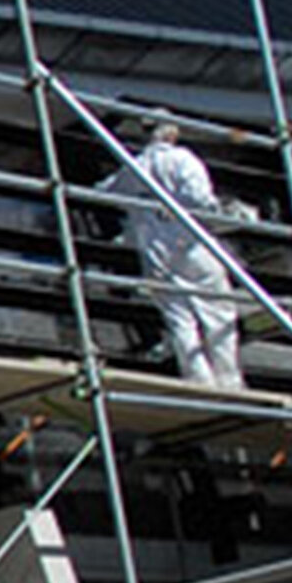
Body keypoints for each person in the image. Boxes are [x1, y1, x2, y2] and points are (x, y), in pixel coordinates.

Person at [108, 113, 246, 391]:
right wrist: (231, 212)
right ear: (172, 133)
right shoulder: (183, 159)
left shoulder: (133, 168)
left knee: (179, 318)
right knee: (218, 311)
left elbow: (109, 192)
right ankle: (228, 379)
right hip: (191, 245)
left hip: (156, 252)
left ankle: (198, 379)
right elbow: (199, 201)